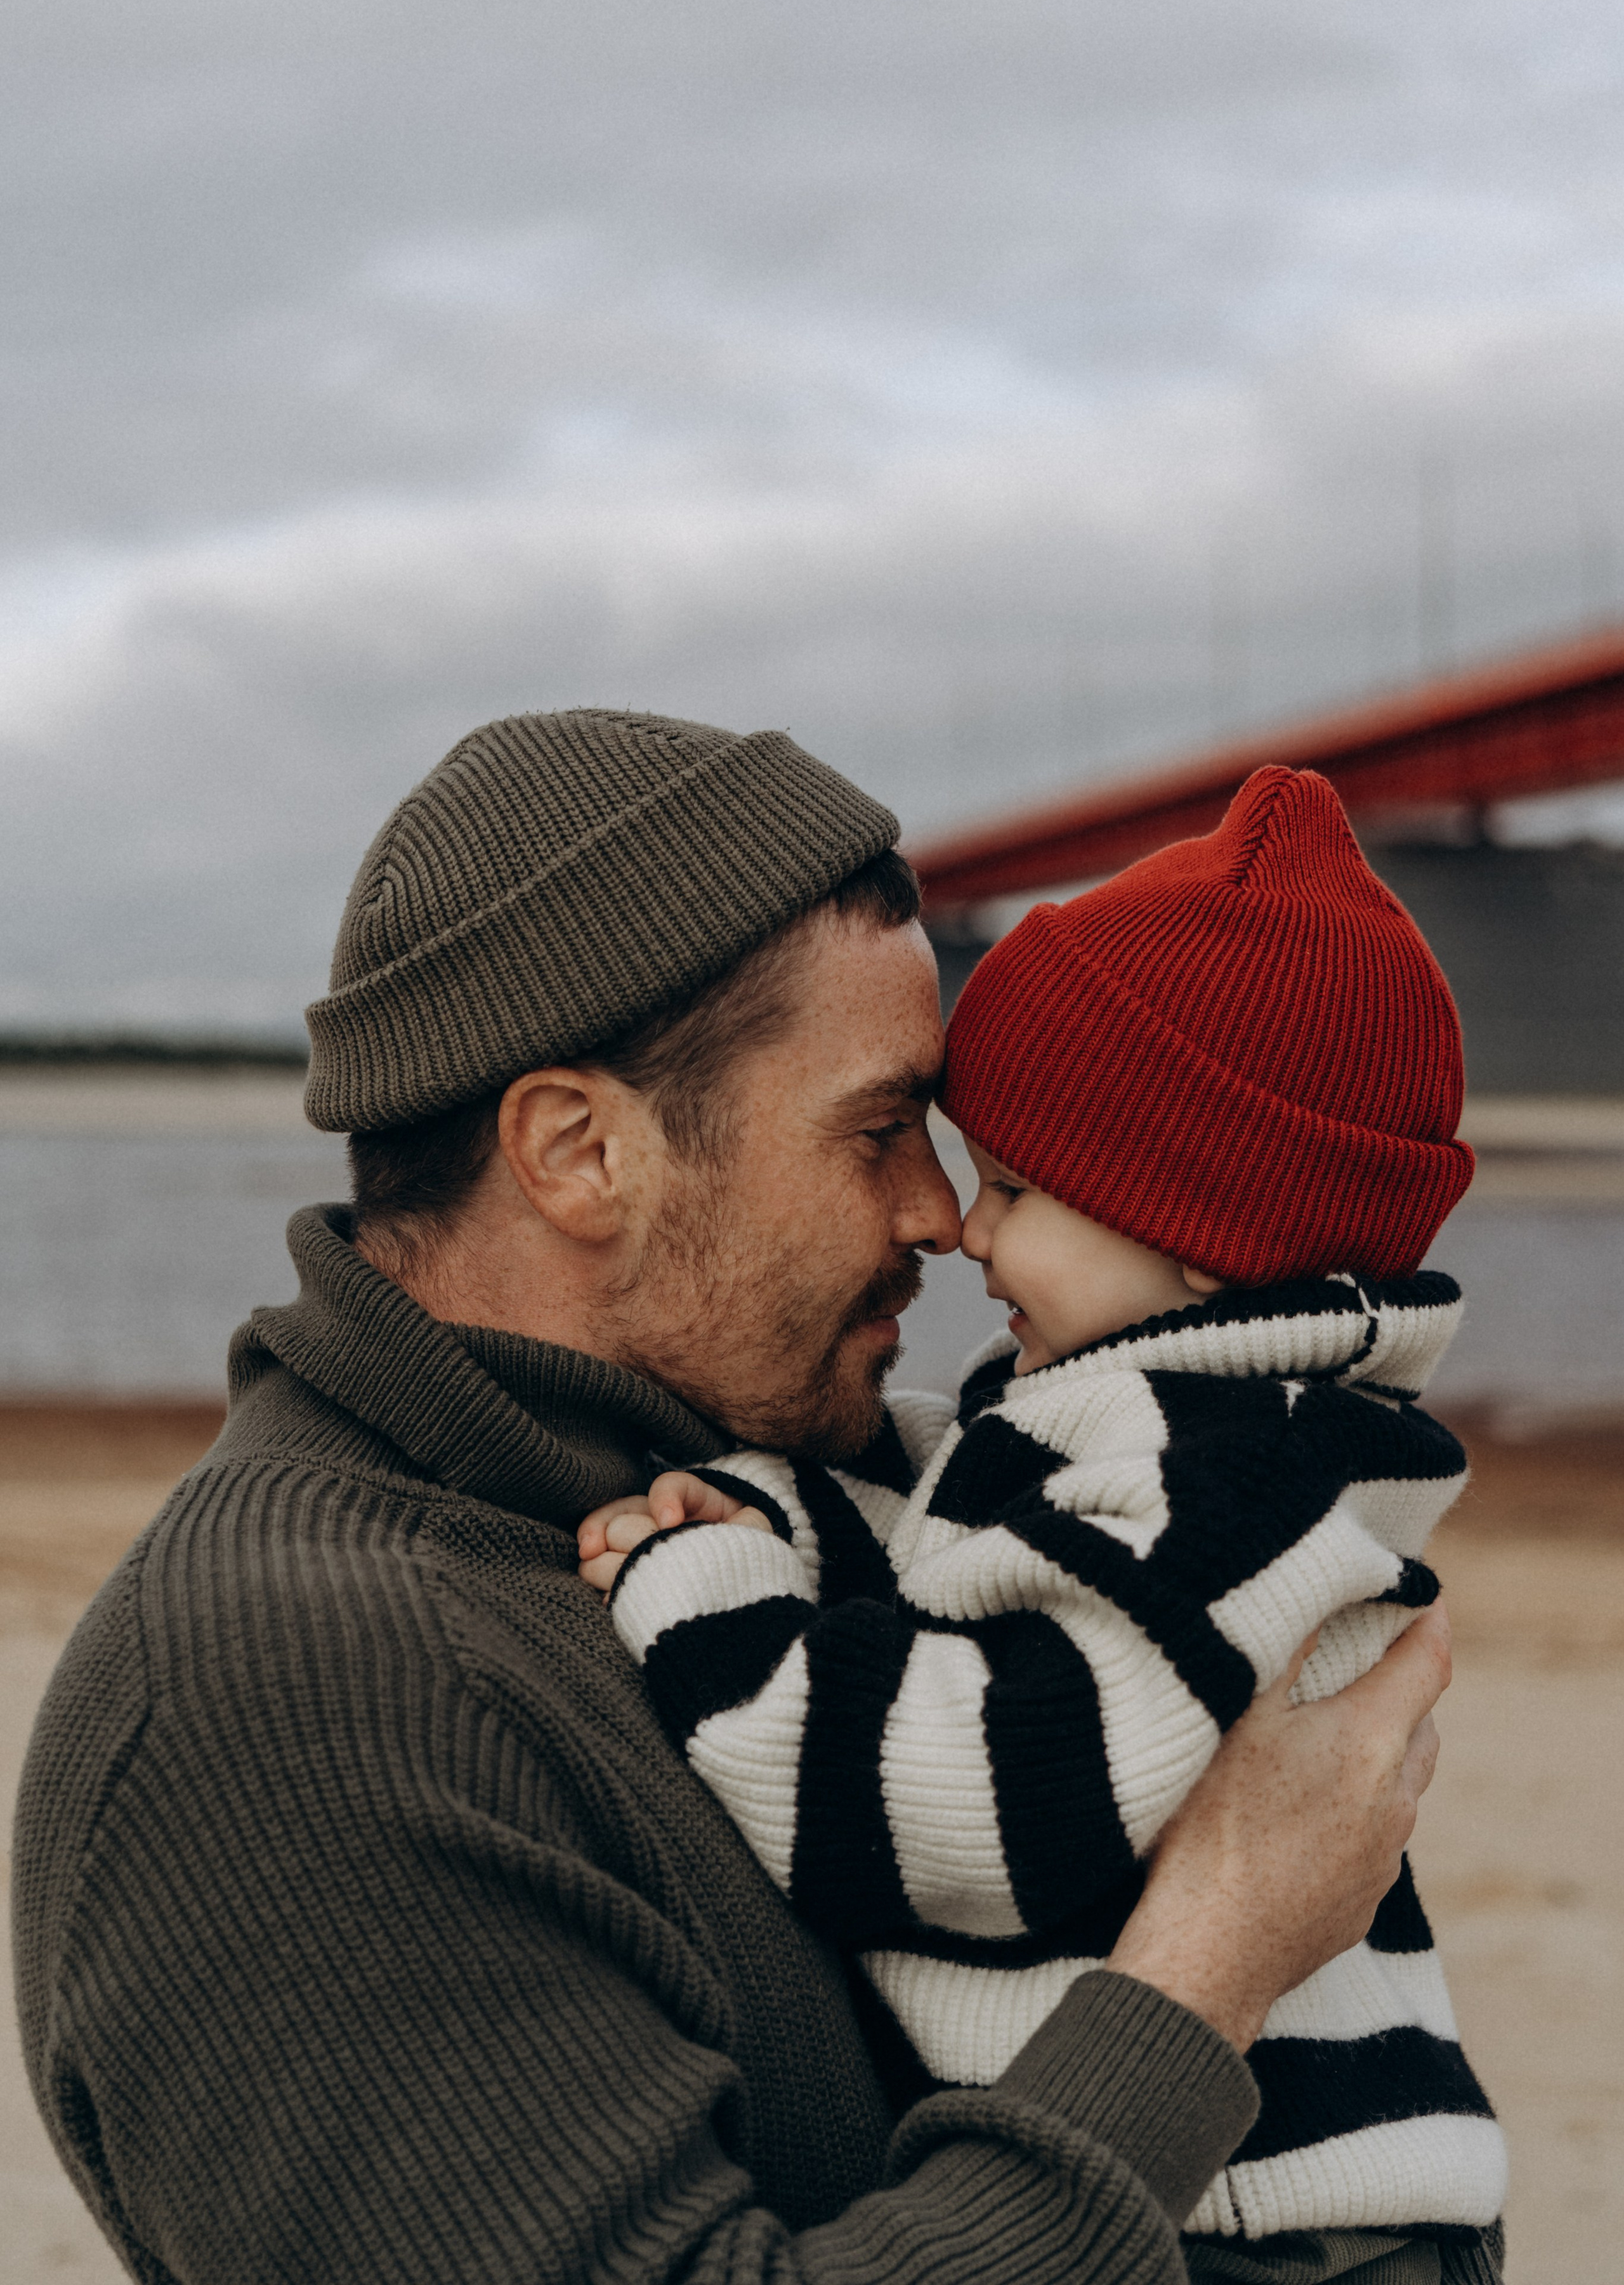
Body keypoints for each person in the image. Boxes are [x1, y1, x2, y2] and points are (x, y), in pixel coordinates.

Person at [16, 711, 1451, 2285]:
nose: (938, 1216)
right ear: (579, 1152)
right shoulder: (284, 1707)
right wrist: (1208, 1966)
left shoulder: (774, 1498)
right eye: (879, 1129)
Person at [580, 768, 1506, 2285]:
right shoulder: (1198, 1430)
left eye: (1014, 1187)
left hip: (1261, 2226)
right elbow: (973, 1532)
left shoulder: (1211, 1483)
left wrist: (699, 1592)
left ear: (1201, 1237)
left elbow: (959, 1806)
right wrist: (778, 1497)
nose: (965, 1227)